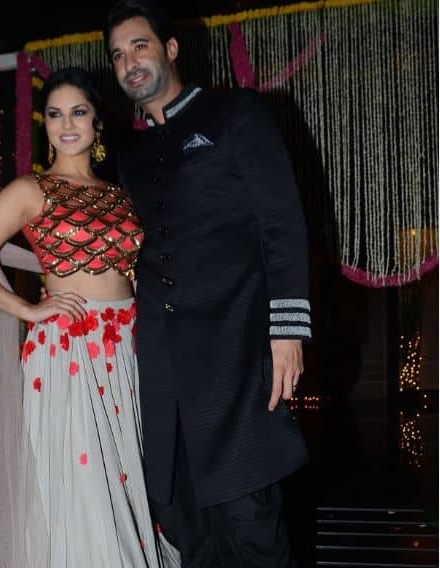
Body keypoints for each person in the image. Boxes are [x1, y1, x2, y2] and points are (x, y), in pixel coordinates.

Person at [104, 1, 311, 566]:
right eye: (118, 55)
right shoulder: (128, 154)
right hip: (165, 364)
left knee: (250, 518)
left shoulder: (235, 113)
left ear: (171, 49)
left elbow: (282, 223)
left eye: (140, 46)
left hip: (237, 349)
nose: (129, 62)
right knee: (184, 520)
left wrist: (288, 330)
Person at [0, 66, 179, 567]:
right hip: (68, 349)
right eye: (55, 115)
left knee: (123, 477)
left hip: (125, 348)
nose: (67, 124)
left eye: (78, 112)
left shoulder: (120, 194)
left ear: (97, 122)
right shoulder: (30, 189)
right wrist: (29, 309)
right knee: (81, 484)